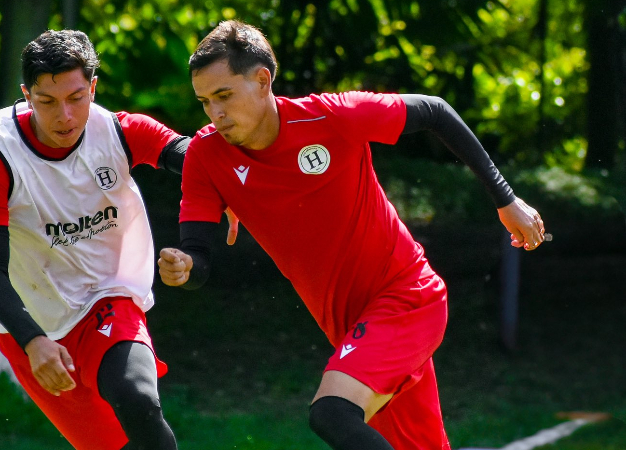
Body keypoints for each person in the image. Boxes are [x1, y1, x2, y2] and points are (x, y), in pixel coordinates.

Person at [157, 20, 546, 450]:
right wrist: (185, 267)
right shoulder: (205, 156)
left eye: (224, 95)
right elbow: (198, 255)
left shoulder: (332, 116)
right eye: (205, 102)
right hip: (349, 327)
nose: (215, 113)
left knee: (332, 413)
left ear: (263, 81)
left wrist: (506, 200)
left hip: (407, 298)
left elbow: (434, 111)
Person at [0, 29, 236, 450]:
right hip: (32, 326)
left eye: (76, 97)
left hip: (107, 298)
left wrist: (228, 191)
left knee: (138, 399)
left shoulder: (118, 131)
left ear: (93, 87)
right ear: (26, 96)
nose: (64, 116)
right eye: (47, 102)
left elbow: (194, 157)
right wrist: (33, 340)